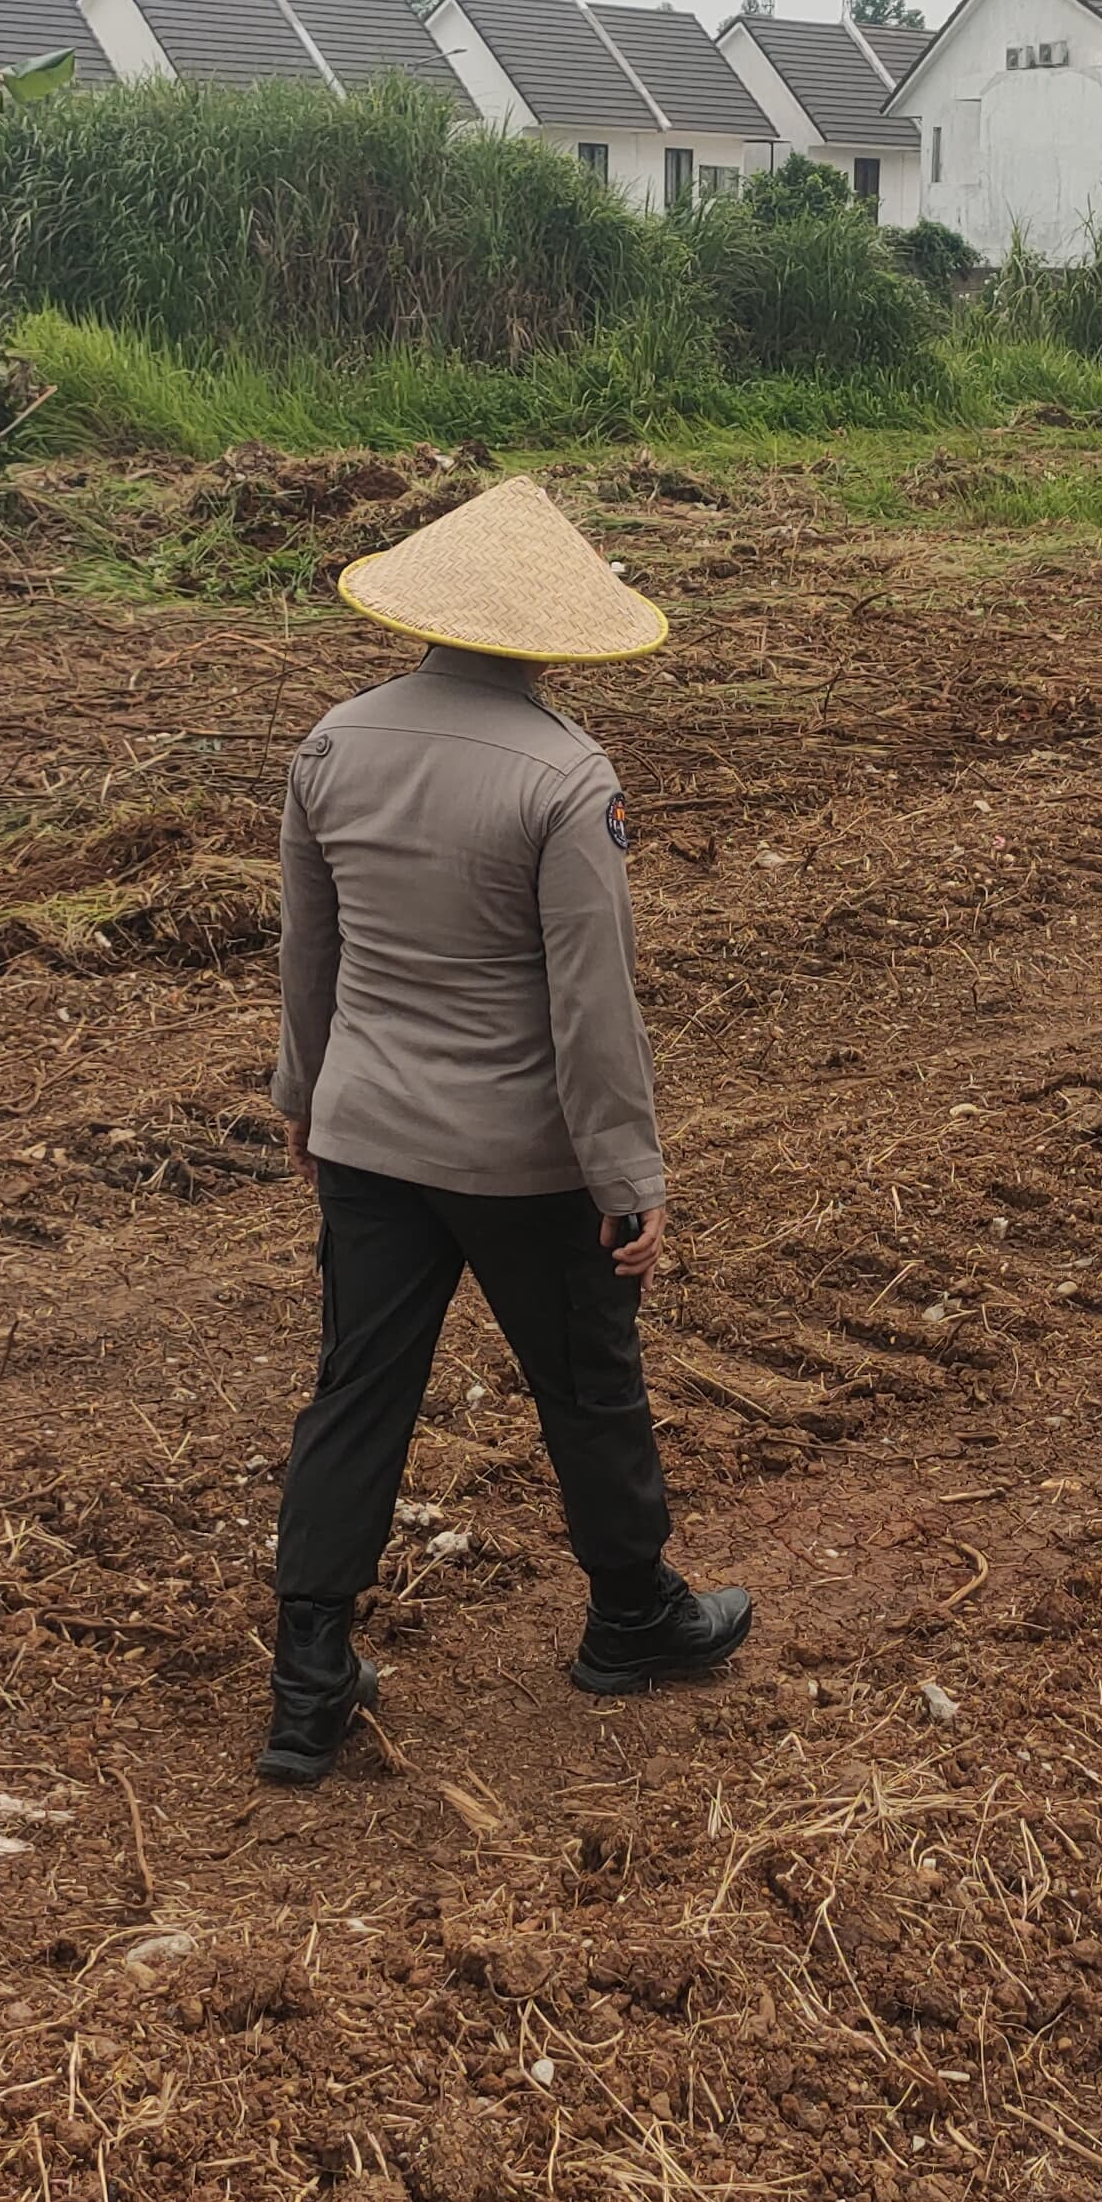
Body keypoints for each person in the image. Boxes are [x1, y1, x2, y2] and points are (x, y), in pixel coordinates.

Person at [257, 476, 752, 1785]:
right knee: (587, 1380)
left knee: (357, 1391)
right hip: (520, 1157)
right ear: (549, 633)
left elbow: (314, 955)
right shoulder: (565, 778)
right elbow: (594, 1007)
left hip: (368, 1137)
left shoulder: (333, 745)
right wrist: (628, 1175)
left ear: (428, 616)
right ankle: (634, 1617)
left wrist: (305, 1097)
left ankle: (308, 1680)